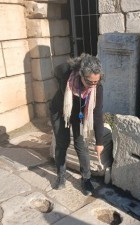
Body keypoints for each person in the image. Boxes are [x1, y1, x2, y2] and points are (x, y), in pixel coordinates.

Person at [50, 53, 104, 196]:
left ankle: (86, 179)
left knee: (81, 146)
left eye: (96, 82)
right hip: (60, 111)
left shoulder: (97, 89)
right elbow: (56, 71)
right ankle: (61, 176)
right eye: (90, 82)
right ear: (81, 75)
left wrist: (100, 142)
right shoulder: (66, 73)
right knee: (62, 143)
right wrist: (63, 91)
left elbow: (98, 114)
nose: (93, 85)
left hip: (79, 115)